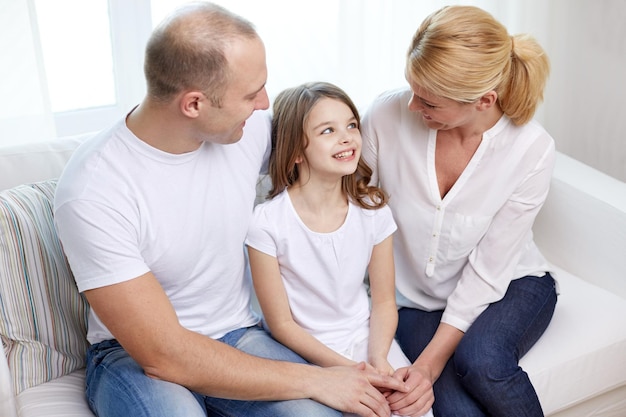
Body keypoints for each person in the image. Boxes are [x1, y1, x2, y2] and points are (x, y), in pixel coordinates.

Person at [53, 3, 407, 417]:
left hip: (238, 334)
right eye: (250, 92)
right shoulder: (94, 190)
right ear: (193, 104)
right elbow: (164, 354)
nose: (264, 104)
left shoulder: (247, 129)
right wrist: (320, 378)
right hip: (132, 358)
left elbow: (322, 140)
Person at [360, 5, 557, 417]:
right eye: (412, 89)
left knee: (481, 363)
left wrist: (429, 364)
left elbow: (489, 269)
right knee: (454, 409)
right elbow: (355, 209)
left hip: (510, 283)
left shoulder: (530, 149)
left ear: (484, 100)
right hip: (415, 298)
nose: (413, 106)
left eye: (429, 101)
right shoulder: (385, 116)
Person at [245, 82, 434, 417]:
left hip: (369, 340)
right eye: (328, 130)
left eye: (351, 125)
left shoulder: (373, 210)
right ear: (297, 151)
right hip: (305, 353)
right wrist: (350, 371)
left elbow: (385, 301)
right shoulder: (266, 223)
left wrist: (377, 360)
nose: (347, 137)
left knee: (409, 409)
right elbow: (281, 325)